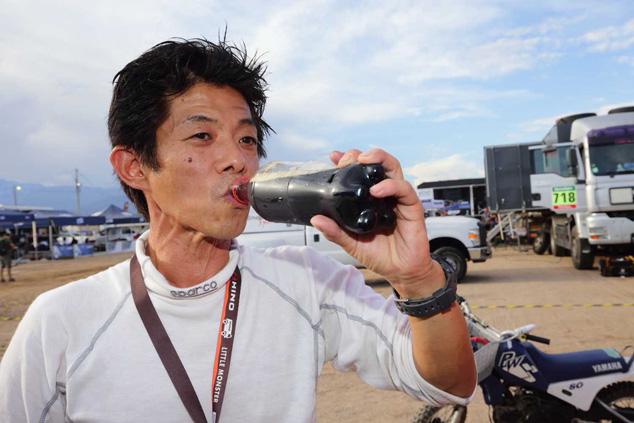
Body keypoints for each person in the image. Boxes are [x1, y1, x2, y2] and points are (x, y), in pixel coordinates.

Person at [0, 38, 476, 422]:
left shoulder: (307, 282)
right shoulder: (60, 321)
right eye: (202, 135)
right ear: (135, 166)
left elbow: (449, 383)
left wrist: (417, 280)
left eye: (247, 139)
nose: (239, 160)